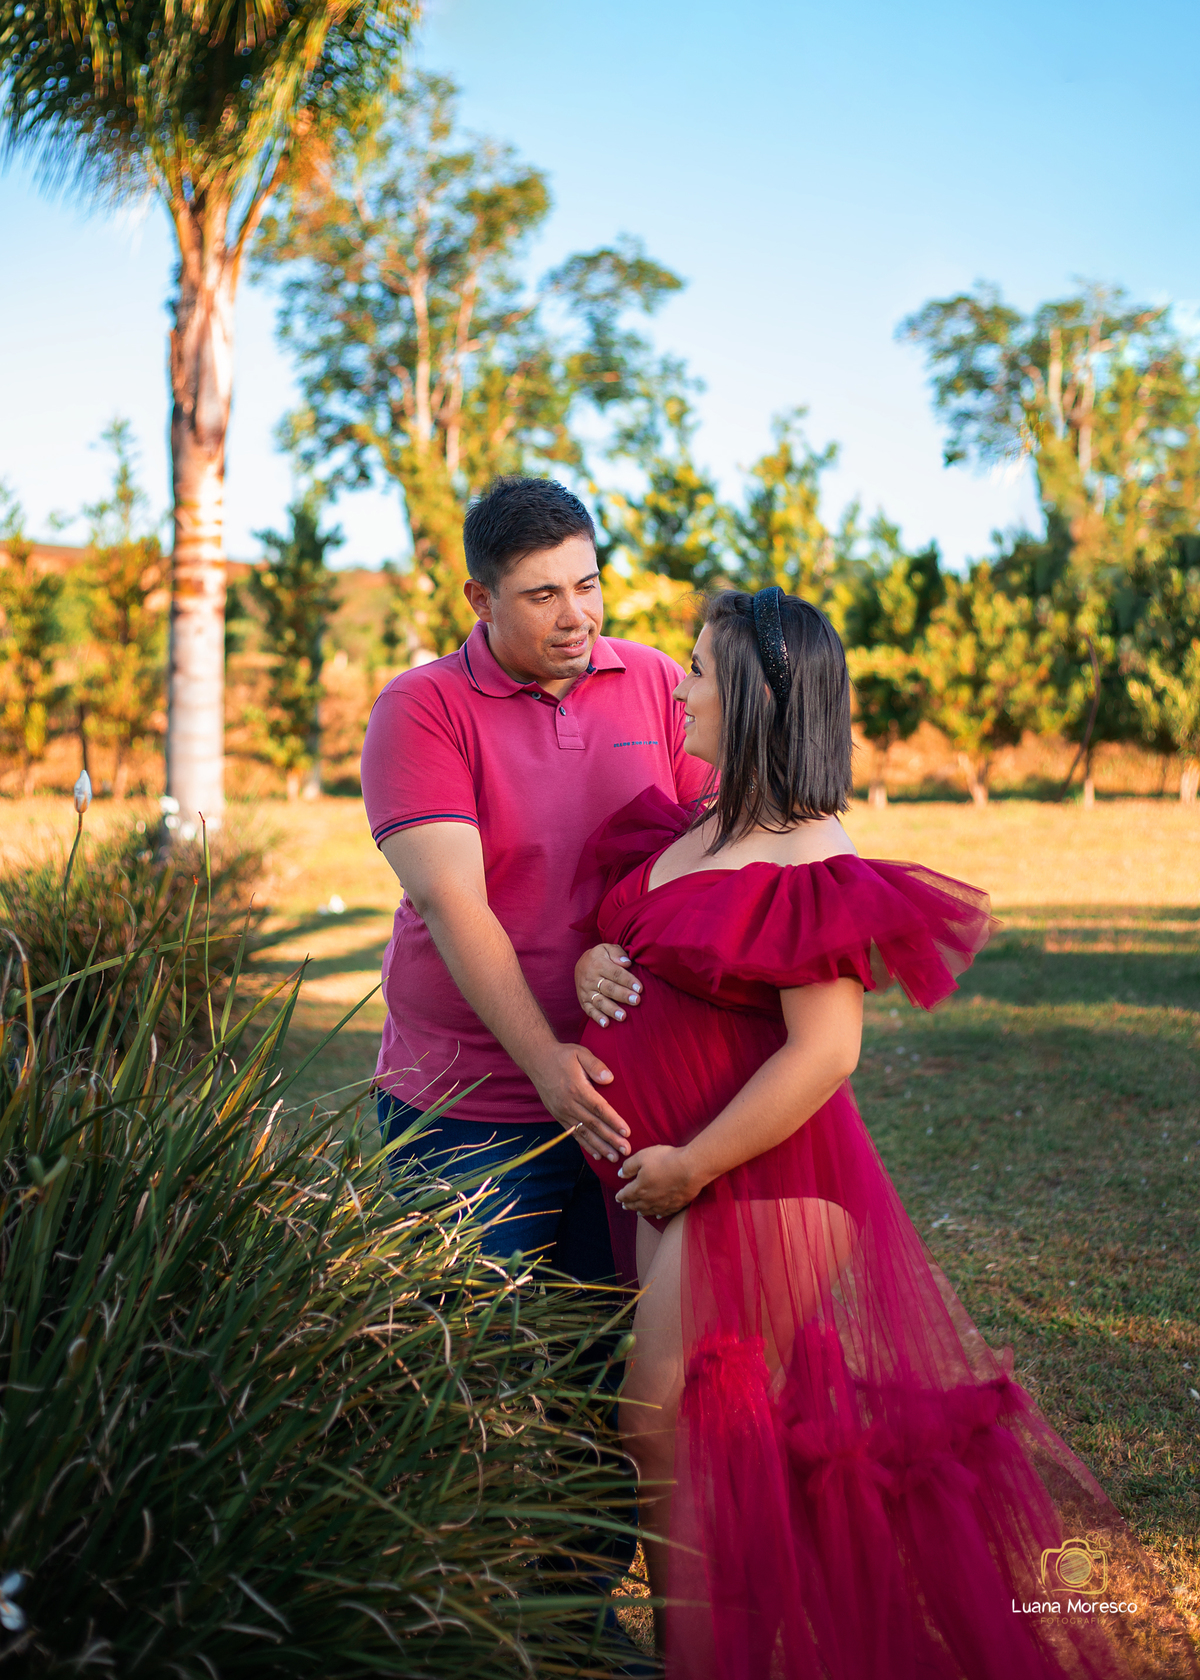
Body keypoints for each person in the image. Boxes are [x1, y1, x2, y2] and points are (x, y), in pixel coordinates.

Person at [569, 587, 1195, 1679]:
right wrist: (592, 964)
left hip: (760, 1179)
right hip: (681, 1176)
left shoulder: (813, 849)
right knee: (706, 1447)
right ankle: (703, 1656)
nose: (680, 684)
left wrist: (689, 1166)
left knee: (660, 1421)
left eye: (703, 670)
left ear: (762, 694)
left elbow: (827, 1053)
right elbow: (627, 937)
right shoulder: (697, 823)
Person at [360, 475, 708, 1282]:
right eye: (542, 594)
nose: (575, 616)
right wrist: (548, 1063)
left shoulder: (659, 683)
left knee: (603, 1350)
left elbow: (710, 850)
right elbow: (452, 904)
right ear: (480, 598)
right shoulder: (422, 708)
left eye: (587, 586)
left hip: (629, 1081)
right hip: (465, 1101)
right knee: (469, 1354)